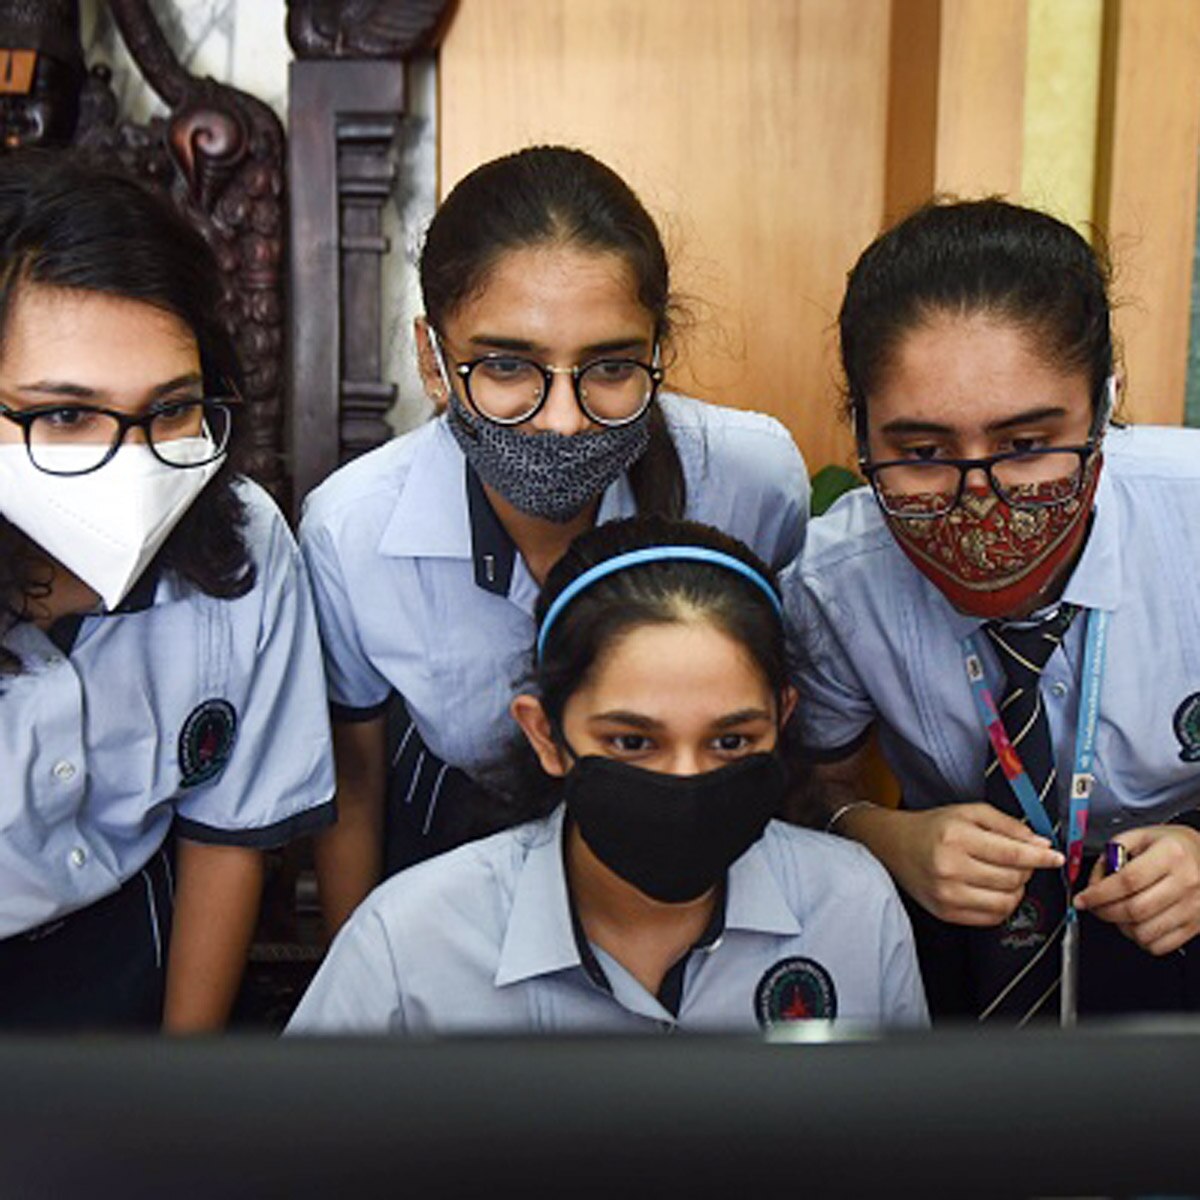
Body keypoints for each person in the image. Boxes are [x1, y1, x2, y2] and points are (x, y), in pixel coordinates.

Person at [300, 145, 809, 934]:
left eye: (610, 367)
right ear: (433, 362)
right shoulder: (353, 529)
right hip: (459, 866)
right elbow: (355, 783)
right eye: (507, 366)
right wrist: (363, 981)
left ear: (658, 350)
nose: (564, 418)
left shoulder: (751, 479)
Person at [787, 196, 1200, 1022]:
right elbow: (805, 781)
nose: (980, 504)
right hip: (960, 939)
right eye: (923, 453)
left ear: (1106, 404)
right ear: (860, 434)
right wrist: (882, 837)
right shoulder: (838, 582)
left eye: (1024, 446)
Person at [287, 517, 925, 1034]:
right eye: (632, 742)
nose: (685, 779)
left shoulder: (853, 910)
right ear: (546, 735)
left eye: (731, 740)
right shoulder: (407, 942)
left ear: (781, 723)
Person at [0, 150, 335, 1031]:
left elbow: (226, 834)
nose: (132, 459)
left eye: (172, 409)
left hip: (132, 937)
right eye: (65, 415)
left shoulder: (246, 542)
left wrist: (180, 1084)